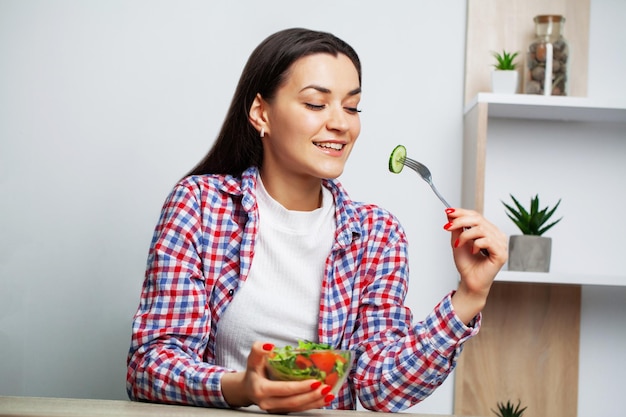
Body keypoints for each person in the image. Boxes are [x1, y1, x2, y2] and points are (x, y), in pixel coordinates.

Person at [126, 27, 508, 414]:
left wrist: (468, 297)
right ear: (261, 113)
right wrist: (242, 388)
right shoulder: (200, 205)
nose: (341, 123)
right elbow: (149, 366)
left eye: (352, 106)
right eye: (315, 104)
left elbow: (380, 389)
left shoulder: (377, 234)